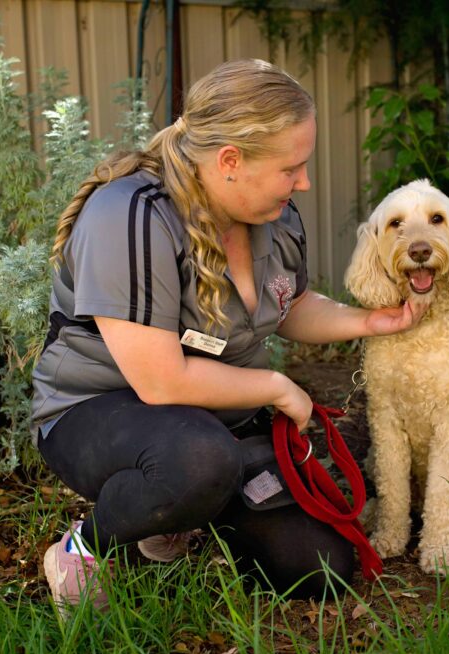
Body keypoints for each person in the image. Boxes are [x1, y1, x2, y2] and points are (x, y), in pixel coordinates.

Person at [34, 58, 426, 610]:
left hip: (213, 415)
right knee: (196, 461)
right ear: (230, 161)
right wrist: (275, 388)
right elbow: (159, 380)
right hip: (99, 410)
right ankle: (84, 547)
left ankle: (180, 509)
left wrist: (366, 321)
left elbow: (288, 305)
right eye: (292, 168)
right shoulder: (131, 215)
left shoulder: (276, 215)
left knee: (319, 569)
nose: (304, 182)